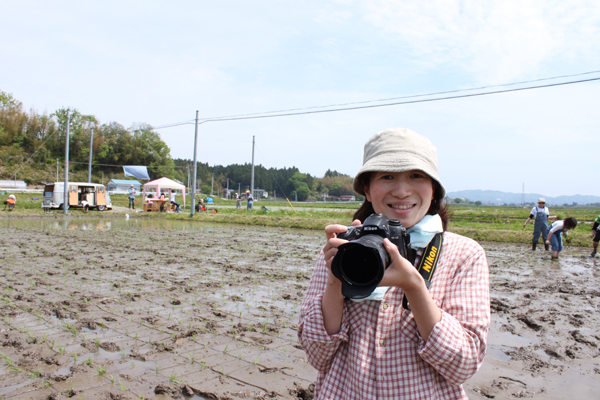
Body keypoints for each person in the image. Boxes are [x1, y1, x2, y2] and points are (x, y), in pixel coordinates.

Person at [298, 128, 490, 399]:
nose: (401, 191)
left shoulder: (463, 254)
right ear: (367, 189)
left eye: (416, 176)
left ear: (433, 188)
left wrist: (413, 286)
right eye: (387, 177)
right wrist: (336, 281)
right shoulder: (342, 250)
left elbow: (463, 365)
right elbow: (317, 356)